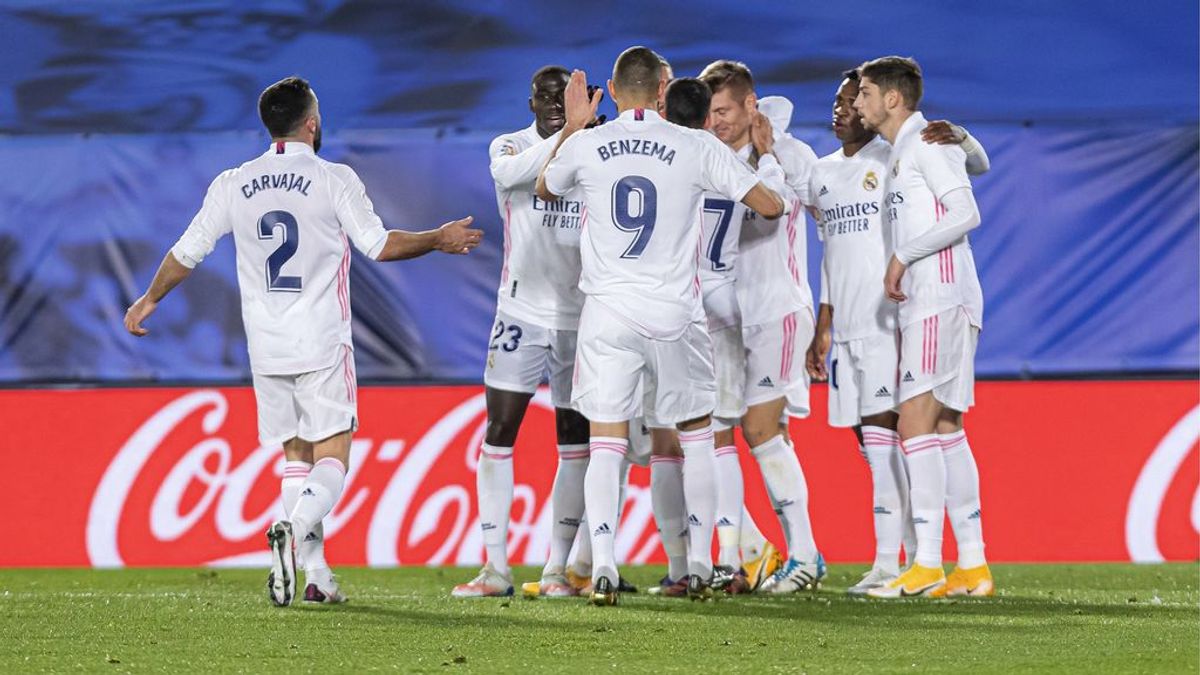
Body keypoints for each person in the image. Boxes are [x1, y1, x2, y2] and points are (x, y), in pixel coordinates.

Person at [122, 76, 481, 607]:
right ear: (311, 124)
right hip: (320, 339)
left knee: (296, 456)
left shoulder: (234, 182)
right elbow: (380, 246)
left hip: (266, 347)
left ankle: (316, 575)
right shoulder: (332, 178)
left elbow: (186, 252)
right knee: (333, 454)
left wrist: (148, 299)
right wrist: (437, 237)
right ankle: (292, 529)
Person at [537, 46, 787, 605]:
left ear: (613, 86)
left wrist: (575, 127)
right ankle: (699, 563)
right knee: (697, 439)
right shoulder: (696, 144)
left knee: (608, 442)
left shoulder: (590, 144)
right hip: (678, 315)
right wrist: (763, 165)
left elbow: (544, 189)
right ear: (662, 92)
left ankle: (601, 564)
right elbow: (770, 207)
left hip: (607, 314)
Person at [804, 68, 991, 595]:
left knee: (914, 428)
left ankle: (927, 561)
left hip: (936, 297)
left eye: (862, 94)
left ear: (889, 98)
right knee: (946, 429)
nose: (854, 103)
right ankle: (972, 566)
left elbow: (967, 210)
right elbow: (975, 163)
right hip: (934, 301)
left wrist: (902, 257)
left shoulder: (920, 146)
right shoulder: (905, 149)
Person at [452, 65, 596, 599]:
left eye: (567, 96)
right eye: (547, 95)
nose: (557, 101)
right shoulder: (508, 145)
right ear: (530, 100)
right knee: (500, 430)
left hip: (583, 317)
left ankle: (557, 570)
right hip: (520, 311)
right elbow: (513, 178)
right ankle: (495, 568)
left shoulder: (595, 147)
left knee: (574, 439)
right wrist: (572, 132)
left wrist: (582, 135)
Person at [699, 60, 823, 594]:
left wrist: (830, 316)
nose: (716, 122)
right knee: (718, 429)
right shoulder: (707, 158)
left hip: (777, 310)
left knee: (761, 431)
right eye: (709, 113)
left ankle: (806, 555)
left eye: (724, 110)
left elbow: (802, 211)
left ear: (751, 105)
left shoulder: (791, 155)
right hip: (725, 318)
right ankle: (746, 553)